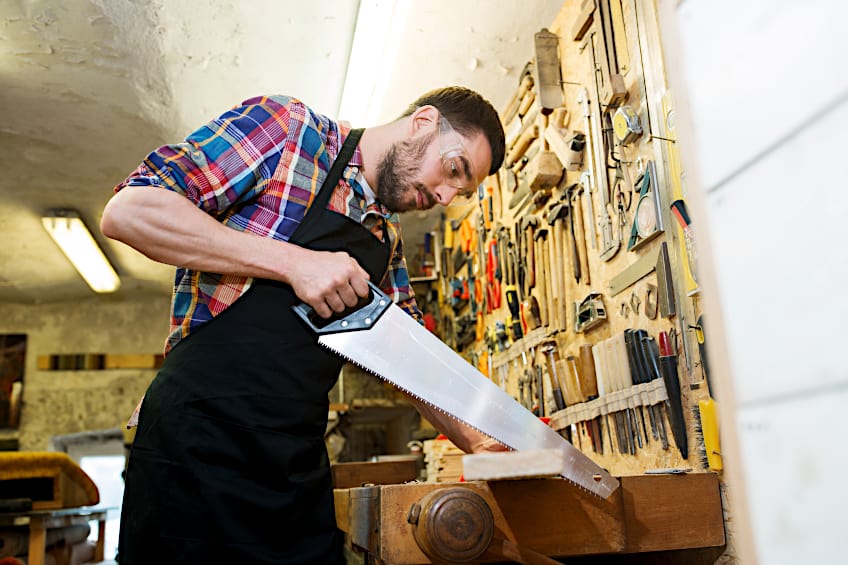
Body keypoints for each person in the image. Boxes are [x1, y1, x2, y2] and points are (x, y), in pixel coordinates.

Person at [101, 86, 506, 564]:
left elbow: (410, 362)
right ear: (423, 122)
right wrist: (295, 264)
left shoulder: (385, 240)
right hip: (196, 443)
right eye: (453, 170)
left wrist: (487, 445)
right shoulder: (291, 133)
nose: (443, 195)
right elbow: (131, 211)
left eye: (460, 191)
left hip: (291, 464)